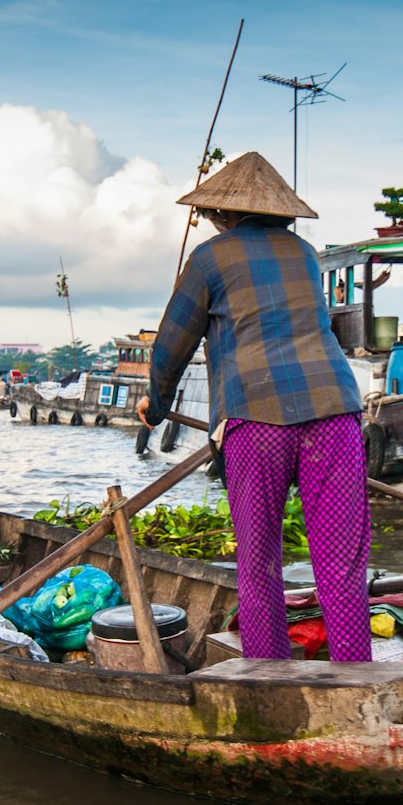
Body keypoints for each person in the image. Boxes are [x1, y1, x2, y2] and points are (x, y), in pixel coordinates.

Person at [138, 151, 371, 662]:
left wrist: (155, 407)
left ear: (222, 214)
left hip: (256, 419)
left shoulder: (208, 258)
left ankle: (268, 670)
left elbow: (171, 344)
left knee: (259, 559)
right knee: (341, 560)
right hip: (335, 413)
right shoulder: (306, 254)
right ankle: (356, 670)